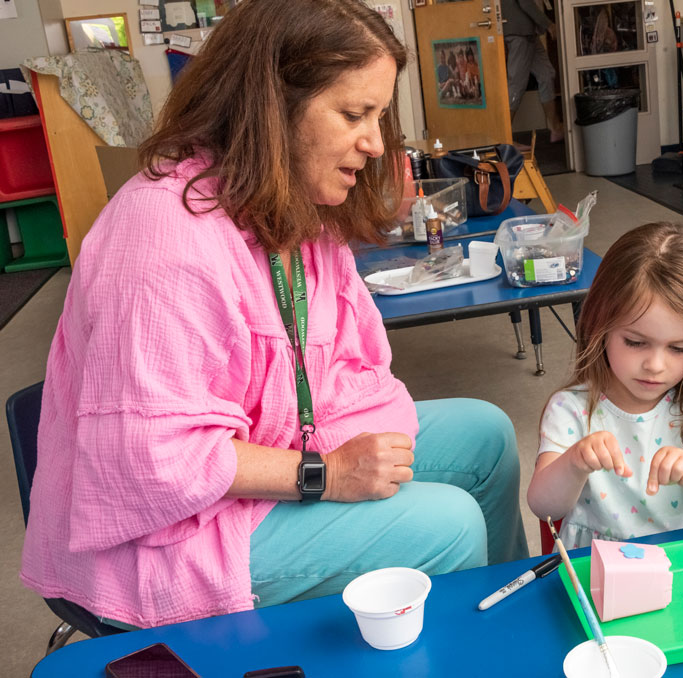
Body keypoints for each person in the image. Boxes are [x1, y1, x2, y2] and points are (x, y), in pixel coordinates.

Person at [20, 0, 527, 630]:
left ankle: (504, 628)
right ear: (272, 106)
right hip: (157, 538)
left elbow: (343, 372)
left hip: (264, 460)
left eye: (378, 116)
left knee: (486, 433)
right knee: (443, 524)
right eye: (353, 114)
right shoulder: (163, 237)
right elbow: (153, 460)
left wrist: (346, 455)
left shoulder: (290, 209)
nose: (374, 142)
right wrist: (327, 473)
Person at [526, 223, 683, 548]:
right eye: (635, 342)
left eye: (679, 348)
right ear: (599, 326)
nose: (655, 365)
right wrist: (574, 463)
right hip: (608, 566)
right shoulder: (571, 409)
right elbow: (543, 506)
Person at [501, 0, 564, 143]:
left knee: (546, 74)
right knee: (516, 84)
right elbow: (525, 2)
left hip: (527, 32)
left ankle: (555, 128)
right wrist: (549, 24)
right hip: (520, 31)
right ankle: (504, 139)